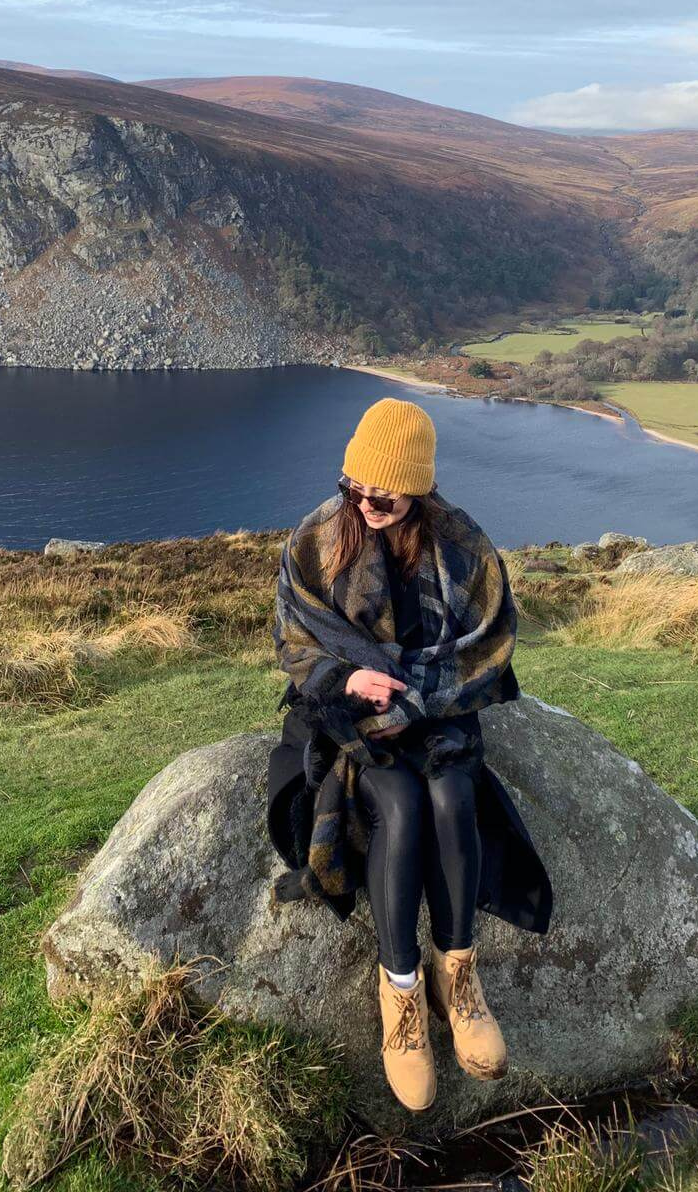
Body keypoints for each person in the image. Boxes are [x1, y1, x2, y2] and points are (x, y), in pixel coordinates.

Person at [265, 396, 552, 1113]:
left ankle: (458, 976)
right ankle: (401, 992)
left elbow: (488, 644)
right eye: (353, 488)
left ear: (417, 487)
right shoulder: (315, 539)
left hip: (436, 709)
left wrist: (409, 697)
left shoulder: (464, 548)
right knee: (397, 802)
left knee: (454, 796)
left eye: (383, 493)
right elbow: (294, 637)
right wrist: (347, 678)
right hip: (345, 715)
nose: (365, 504)